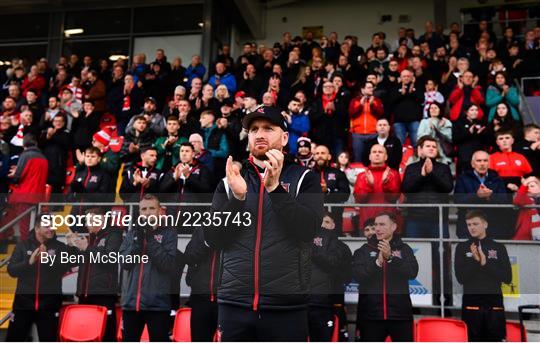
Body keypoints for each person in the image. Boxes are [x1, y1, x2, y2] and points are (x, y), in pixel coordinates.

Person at [203, 105, 324, 341]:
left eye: (268, 128)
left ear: (285, 137)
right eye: (254, 129)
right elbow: (212, 239)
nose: (259, 134)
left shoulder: (304, 179)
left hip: (287, 307)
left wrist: (275, 189)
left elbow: (308, 230)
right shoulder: (229, 182)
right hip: (234, 305)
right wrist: (237, 201)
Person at [119, 194, 178, 342]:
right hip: (131, 305)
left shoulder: (169, 233)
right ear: (139, 212)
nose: (147, 212)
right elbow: (125, 262)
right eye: (144, 209)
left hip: (157, 306)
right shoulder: (132, 233)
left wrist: (150, 237)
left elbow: (167, 264)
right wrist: (138, 239)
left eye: (151, 208)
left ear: (159, 211)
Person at [352, 212, 418, 342]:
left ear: (393, 227)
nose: (377, 228)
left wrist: (391, 259)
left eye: (382, 224)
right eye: (376, 225)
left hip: (400, 316)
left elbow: (412, 272)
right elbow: (358, 275)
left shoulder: (404, 249)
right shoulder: (363, 250)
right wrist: (377, 262)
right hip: (372, 317)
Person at [6, 215, 72, 341]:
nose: (51, 229)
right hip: (22, 305)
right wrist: (29, 262)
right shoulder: (23, 245)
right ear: (37, 228)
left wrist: (47, 260)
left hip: (49, 305)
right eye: (47, 226)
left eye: (52, 225)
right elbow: (11, 270)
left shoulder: (60, 247)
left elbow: (63, 268)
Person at [66, 206, 122, 342]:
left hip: (103, 294)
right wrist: (71, 246)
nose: (86, 225)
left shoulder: (114, 235)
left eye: (88, 221)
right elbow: (73, 263)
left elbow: (109, 259)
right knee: (84, 335)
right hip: (85, 294)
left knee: (106, 334)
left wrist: (87, 248)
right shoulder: (89, 238)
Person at [454, 210, 512, 341]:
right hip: (472, 305)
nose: (472, 227)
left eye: (475, 224)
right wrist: (476, 262)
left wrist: (485, 264)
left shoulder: (499, 247)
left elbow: (507, 278)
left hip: (494, 305)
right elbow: (460, 278)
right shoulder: (462, 247)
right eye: (469, 224)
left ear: (485, 224)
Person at [308, 212, 352, 342]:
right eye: (321, 222)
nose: (323, 226)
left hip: (331, 301)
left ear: (333, 225)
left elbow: (346, 274)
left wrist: (332, 276)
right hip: (305, 301)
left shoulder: (342, 248)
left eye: (327, 222)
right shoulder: (305, 240)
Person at [454, 151, 513, 239]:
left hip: (492, 226)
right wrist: (477, 196)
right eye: (479, 161)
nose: (482, 164)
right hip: (468, 227)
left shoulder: (497, 178)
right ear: (472, 164)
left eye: (485, 161)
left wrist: (489, 197)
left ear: (489, 163)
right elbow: (458, 200)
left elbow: (504, 200)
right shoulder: (463, 178)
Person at [2, 134, 48, 240]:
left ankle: (25, 251)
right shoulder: (44, 158)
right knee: (33, 227)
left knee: (24, 228)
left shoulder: (25, 155)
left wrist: (14, 173)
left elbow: (17, 176)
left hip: (25, 197)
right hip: (39, 198)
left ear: (23, 144)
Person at [354, 144, 401, 233]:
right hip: (367, 225)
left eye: (380, 152)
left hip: (387, 225)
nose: (377, 154)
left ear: (386, 156)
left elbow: (393, 198)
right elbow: (360, 198)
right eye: (374, 152)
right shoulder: (362, 176)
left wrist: (386, 184)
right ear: (370, 156)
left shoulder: (393, 174)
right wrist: (370, 185)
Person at [184, 227, 221, 341]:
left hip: (226, 299)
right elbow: (189, 257)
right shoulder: (201, 228)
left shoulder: (236, 227)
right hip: (200, 297)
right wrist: (206, 244)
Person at [313, 144, 351, 235]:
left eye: (323, 153)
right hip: (313, 219)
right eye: (317, 153)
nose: (320, 155)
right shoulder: (308, 174)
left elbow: (345, 194)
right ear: (314, 157)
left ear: (329, 156)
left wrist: (328, 191)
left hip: (335, 219)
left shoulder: (338, 173)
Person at [348, 81, 384, 162]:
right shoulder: (355, 100)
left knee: (373, 158)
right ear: (362, 89)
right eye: (369, 87)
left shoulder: (376, 100)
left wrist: (372, 105)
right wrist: (360, 105)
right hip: (358, 134)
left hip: (373, 134)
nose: (371, 89)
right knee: (358, 158)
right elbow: (351, 114)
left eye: (372, 87)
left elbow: (380, 114)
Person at [388, 68, 423, 146]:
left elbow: (422, 99)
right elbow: (391, 101)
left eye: (408, 76)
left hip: (414, 120)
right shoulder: (395, 88)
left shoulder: (417, 87)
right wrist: (401, 94)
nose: (406, 78)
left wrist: (412, 92)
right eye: (404, 76)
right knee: (399, 145)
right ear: (400, 78)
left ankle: (417, 158)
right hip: (399, 121)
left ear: (411, 77)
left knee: (417, 144)